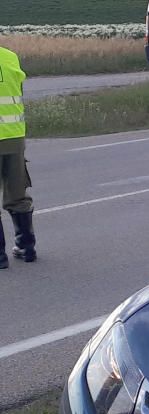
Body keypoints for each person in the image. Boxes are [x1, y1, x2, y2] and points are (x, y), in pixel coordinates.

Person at [0, 45, 33, 267]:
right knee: (17, 194)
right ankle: (26, 246)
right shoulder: (10, 57)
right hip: (13, 135)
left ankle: (0, 257)